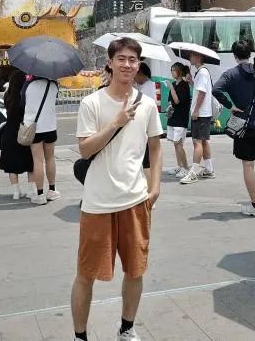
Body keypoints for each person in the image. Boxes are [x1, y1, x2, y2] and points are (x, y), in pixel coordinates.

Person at [71, 37, 163, 341]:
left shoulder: (147, 104)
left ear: (139, 65)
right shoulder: (92, 103)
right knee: (86, 274)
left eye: (132, 60)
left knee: (135, 270)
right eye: (121, 59)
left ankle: (127, 327)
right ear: (109, 63)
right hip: (97, 202)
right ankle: (80, 336)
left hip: (135, 200)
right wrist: (115, 123)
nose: (127, 64)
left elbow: (155, 146)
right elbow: (85, 149)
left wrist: (155, 186)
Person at [212, 40, 255, 217]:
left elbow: (216, 90)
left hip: (243, 126)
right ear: (250, 53)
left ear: (234, 56)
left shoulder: (230, 74)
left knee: (248, 165)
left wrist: (230, 106)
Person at [23, 74, 60, 206]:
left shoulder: (29, 85)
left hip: (34, 127)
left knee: (37, 160)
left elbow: (23, 102)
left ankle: (40, 194)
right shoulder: (54, 85)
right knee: (50, 158)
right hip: (50, 125)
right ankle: (52, 190)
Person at [180, 51, 215, 184]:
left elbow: (202, 93)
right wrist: (192, 82)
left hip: (201, 113)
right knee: (204, 141)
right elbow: (199, 90)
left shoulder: (202, 72)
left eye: (192, 55)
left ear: (199, 57)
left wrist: (195, 110)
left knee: (197, 142)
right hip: (203, 113)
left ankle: (193, 172)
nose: (190, 57)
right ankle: (209, 169)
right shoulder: (201, 72)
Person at [0, 70, 34, 200]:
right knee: (30, 162)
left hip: (9, 132)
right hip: (24, 131)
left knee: (12, 164)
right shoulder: (26, 97)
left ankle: (16, 192)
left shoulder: (7, 96)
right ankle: (30, 190)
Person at [164, 62, 191, 179]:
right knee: (175, 144)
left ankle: (186, 167)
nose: (172, 73)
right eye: (171, 70)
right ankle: (179, 166)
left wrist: (171, 88)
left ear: (179, 71)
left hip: (181, 119)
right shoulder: (174, 84)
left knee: (178, 143)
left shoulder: (184, 85)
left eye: (174, 70)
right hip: (173, 118)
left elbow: (177, 101)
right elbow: (171, 101)